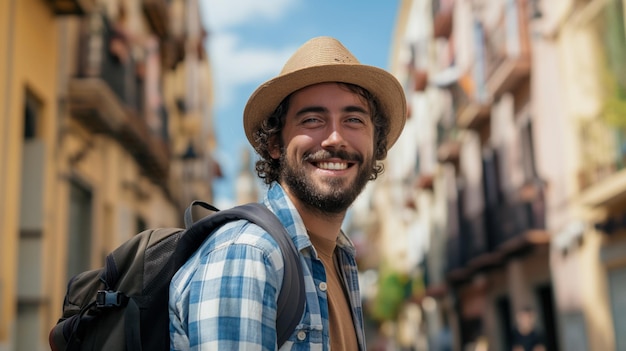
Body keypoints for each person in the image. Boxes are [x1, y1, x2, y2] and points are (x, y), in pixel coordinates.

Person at [169, 36, 407, 350]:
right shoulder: (249, 253)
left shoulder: (340, 259)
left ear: (375, 145)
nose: (335, 138)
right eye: (312, 119)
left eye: (353, 120)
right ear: (275, 144)